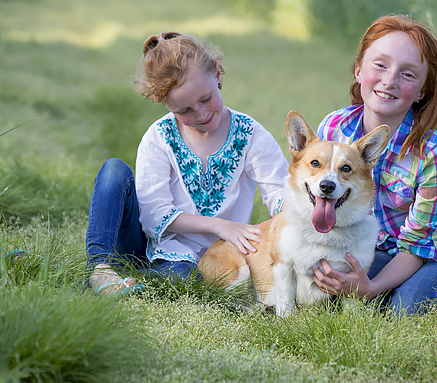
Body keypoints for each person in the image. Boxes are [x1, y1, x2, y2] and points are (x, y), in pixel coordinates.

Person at [312, 14, 437, 315]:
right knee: (328, 296)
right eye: (380, 65)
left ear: (422, 91)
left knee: (404, 310)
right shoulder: (335, 129)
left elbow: (418, 246)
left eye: (408, 74)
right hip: (383, 243)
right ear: (358, 70)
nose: (389, 80)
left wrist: (368, 288)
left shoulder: (436, 153)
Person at [86, 32, 288, 295]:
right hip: (155, 247)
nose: (201, 114)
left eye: (205, 99)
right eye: (184, 111)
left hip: (223, 258)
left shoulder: (251, 134)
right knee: (114, 170)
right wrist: (219, 225)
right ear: (162, 102)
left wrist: (310, 211)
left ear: (217, 73)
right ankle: (100, 270)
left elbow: (280, 192)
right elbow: (153, 216)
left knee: (185, 281)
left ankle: (134, 283)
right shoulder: (158, 138)